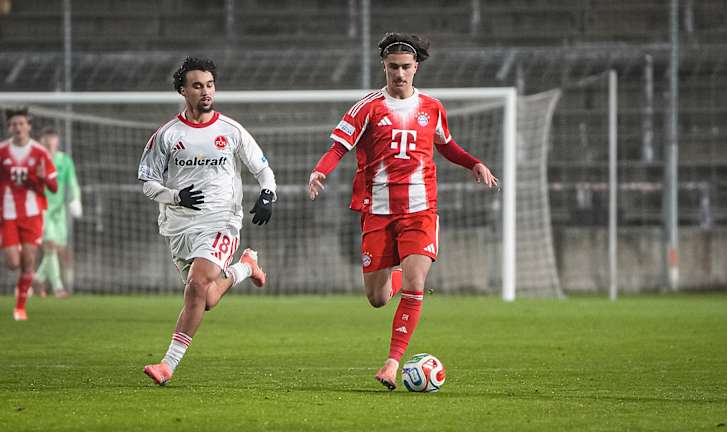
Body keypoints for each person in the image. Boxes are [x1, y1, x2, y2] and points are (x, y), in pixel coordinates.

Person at [307, 33, 498, 390]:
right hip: (377, 212)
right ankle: (399, 281)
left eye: (405, 67)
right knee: (377, 298)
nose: (399, 73)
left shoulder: (431, 107)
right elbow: (338, 148)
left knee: (416, 283)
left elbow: (446, 144)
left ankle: (392, 363)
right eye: (393, 67)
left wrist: (473, 163)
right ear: (384, 66)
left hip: (421, 211)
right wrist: (321, 171)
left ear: (416, 68)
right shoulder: (367, 108)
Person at [138, 56, 276, 385]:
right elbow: (147, 182)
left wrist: (268, 193)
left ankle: (167, 365)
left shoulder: (230, 130)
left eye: (210, 84)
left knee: (197, 286)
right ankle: (245, 266)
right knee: (206, 297)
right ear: (183, 90)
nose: (206, 91)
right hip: (179, 226)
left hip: (221, 221)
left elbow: (262, 168)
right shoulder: (167, 135)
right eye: (197, 85)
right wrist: (174, 196)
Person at [0, 107, 58, 321]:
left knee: (28, 260)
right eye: (14, 124)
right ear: (9, 128)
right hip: (7, 213)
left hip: (33, 213)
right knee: (13, 263)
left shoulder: (40, 153)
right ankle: (22, 289)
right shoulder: (2, 152)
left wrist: (44, 178)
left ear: (29, 126)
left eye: (22, 123)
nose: (18, 127)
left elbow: (54, 187)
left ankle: (20, 307)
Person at [33, 128, 82, 298]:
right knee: (50, 244)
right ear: (40, 141)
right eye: (46, 138)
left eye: (52, 138)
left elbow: (72, 182)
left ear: (57, 141)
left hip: (59, 211)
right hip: (41, 208)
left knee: (58, 248)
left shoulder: (64, 160)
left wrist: (75, 199)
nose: (49, 141)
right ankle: (58, 287)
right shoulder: (36, 159)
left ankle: (38, 278)